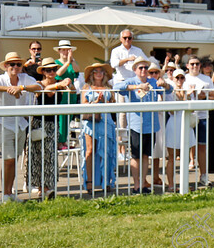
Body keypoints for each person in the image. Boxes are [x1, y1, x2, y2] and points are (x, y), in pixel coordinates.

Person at [0, 52, 42, 203]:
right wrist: (8, 89)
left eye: (18, 64)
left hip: (21, 123)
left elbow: (38, 86)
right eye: (12, 64)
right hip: (3, 122)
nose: (15, 67)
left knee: (13, 160)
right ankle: (6, 194)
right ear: (6, 66)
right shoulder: (0, 79)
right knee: (8, 159)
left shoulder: (24, 78)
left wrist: (21, 88)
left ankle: (9, 194)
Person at [114, 57, 170, 193]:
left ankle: (144, 183)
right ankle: (136, 185)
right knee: (135, 156)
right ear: (135, 70)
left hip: (151, 125)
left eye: (146, 68)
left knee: (146, 156)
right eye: (141, 68)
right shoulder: (131, 81)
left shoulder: (153, 81)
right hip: (135, 125)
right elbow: (116, 88)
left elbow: (169, 90)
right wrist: (136, 87)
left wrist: (165, 84)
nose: (144, 70)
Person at [32, 58, 70, 199]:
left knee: (51, 156)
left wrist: (68, 84)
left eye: (54, 69)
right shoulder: (38, 84)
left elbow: (72, 92)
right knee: (39, 156)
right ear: (43, 72)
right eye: (48, 70)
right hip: (39, 123)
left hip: (53, 123)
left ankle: (48, 187)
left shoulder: (59, 85)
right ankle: (43, 188)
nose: (52, 72)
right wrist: (59, 84)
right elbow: (45, 91)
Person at [80, 63, 117, 192]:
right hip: (90, 122)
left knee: (105, 151)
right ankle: (89, 182)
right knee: (89, 151)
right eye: (96, 71)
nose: (99, 73)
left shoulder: (109, 88)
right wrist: (95, 103)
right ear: (92, 74)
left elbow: (113, 105)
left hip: (106, 121)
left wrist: (104, 102)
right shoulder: (86, 88)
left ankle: (105, 181)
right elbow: (83, 105)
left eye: (101, 71)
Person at [184, 55, 214, 187]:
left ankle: (203, 175)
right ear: (187, 66)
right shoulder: (183, 78)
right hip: (186, 116)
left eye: (197, 64)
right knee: (184, 147)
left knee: (202, 147)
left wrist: (201, 95)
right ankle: (184, 179)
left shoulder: (207, 79)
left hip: (202, 117)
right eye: (192, 64)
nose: (194, 66)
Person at [164, 68, 189, 192]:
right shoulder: (169, 92)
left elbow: (193, 109)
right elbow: (172, 111)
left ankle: (184, 184)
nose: (179, 80)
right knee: (172, 157)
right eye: (177, 78)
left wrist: (187, 95)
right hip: (174, 124)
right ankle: (171, 184)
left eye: (181, 77)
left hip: (186, 123)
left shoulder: (189, 90)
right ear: (173, 79)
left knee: (185, 156)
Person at [53, 40, 80, 149]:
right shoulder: (56, 62)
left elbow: (77, 71)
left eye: (67, 50)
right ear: (59, 51)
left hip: (71, 93)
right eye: (63, 50)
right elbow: (58, 73)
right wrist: (67, 62)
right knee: (61, 119)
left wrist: (71, 60)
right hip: (61, 94)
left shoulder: (73, 62)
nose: (65, 52)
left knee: (68, 118)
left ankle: (64, 141)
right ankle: (59, 141)